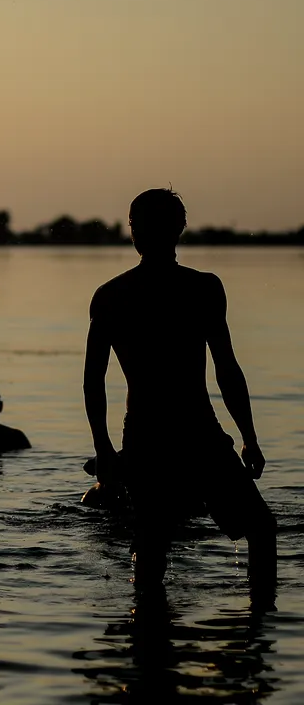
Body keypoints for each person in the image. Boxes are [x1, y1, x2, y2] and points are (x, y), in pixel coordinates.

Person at [83, 188, 275, 605]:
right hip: (180, 432)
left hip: (177, 433)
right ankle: (259, 625)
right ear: (179, 229)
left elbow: (92, 383)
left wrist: (248, 436)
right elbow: (227, 370)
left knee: (155, 540)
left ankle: (150, 634)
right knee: (254, 529)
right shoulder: (185, 290)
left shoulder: (120, 294)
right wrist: (249, 436)